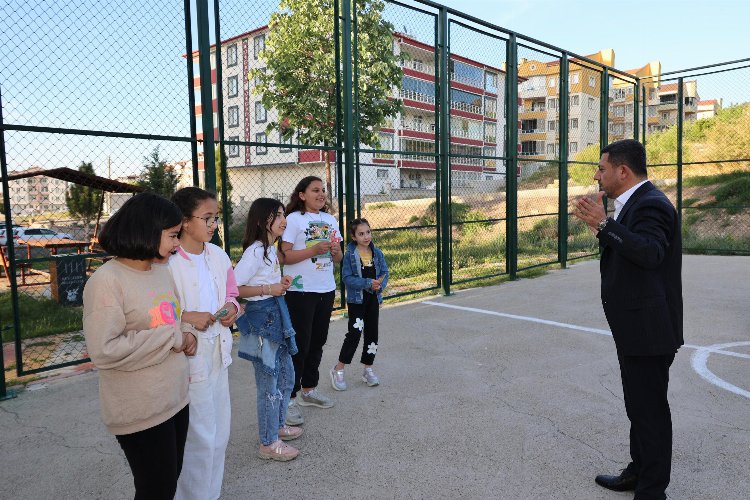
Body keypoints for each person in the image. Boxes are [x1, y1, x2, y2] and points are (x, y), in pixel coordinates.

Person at [573, 139, 683, 500]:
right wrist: (605, 228)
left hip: (649, 329)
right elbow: (632, 250)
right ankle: (638, 471)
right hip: (635, 327)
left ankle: (652, 492)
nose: (597, 175)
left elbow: (650, 253)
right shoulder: (632, 203)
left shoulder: (651, 204)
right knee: (637, 406)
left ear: (623, 170)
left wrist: (604, 226)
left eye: (601, 168)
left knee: (650, 411)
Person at [82, 192, 195, 499]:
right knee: (155, 490)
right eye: (173, 236)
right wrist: (173, 338)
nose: (177, 244)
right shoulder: (107, 281)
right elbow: (105, 350)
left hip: (174, 400)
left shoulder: (160, 270)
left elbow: (175, 317)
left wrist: (187, 333)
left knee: (168, 483)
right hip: (140, 411)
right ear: (147, 229)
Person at [168, 187, 239, 499]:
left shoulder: (218, 255)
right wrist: (186, 317)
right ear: (184, 222)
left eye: (216, 218)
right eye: (207, 218)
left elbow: (232, 295)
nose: (214, 225)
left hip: (218, 354)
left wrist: (233, 310)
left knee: (220, 434)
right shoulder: (169, 263)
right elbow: (157, 311)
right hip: (190, 359)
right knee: (199, 438)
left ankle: (211, 493)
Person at [233, 197, 303, 461]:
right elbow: (236, 289)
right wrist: (268, 289)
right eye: (279, 216)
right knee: (269, 382)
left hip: (277, 314)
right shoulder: (255, 251)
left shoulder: (270, 249)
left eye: (285, 214)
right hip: (263, 321)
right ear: (264, 221)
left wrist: (278, 283)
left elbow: (266, 283)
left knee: (286, 376)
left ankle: (278, 426)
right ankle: (268, 443)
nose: (285, 220)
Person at [280, 176, 343, 426]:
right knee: (299, 344)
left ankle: (309, 389)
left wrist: (337, 252)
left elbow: (338, 256)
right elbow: (284, 255)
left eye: (324, 190)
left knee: (318, 341)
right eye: (315, 190)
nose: (321, 194)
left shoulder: (330, 220)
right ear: (302, 194)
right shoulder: (293, 219)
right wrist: (313, 250)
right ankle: (290, 397)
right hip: (300, 291)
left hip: (325, 289)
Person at [330, 218, 389, 391]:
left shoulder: (377, 253)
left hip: (373, 299)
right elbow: (347, 278)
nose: (366, 236)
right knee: (355, 333)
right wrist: (367, 283)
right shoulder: (350, 255)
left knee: (372, 334)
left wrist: (380, 285)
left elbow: (385, 272)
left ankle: (367, 369)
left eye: (368, 232)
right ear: (353, 236)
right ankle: (338, 369)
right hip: (357, 300)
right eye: (361, 234)